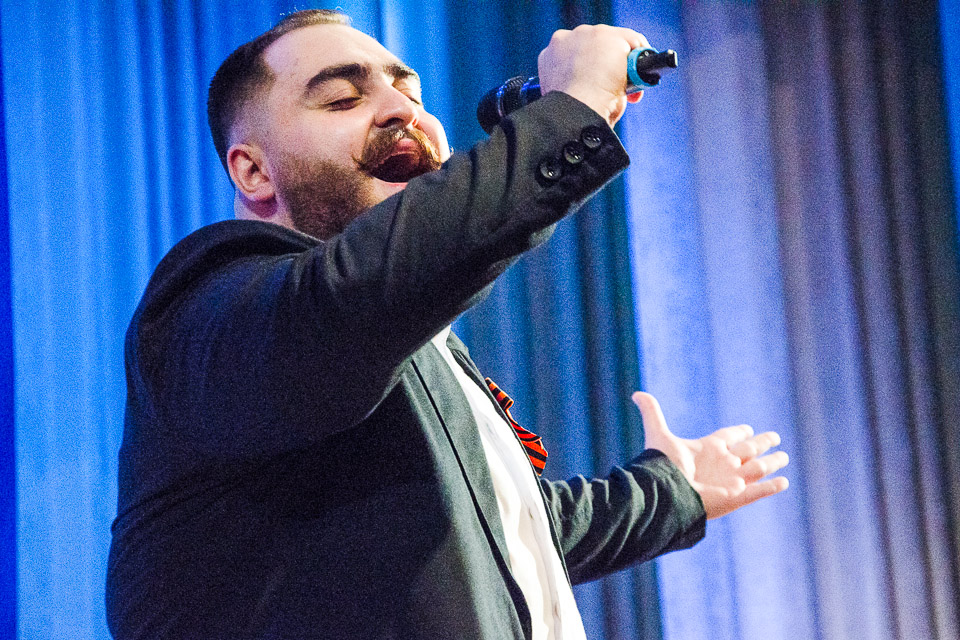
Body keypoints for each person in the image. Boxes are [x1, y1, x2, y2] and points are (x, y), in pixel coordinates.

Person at [106, 9, 789, 640]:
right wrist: (572, 110)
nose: (402, 111)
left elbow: (506, 527)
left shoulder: (415, 349)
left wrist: (672, 490)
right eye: (343, 99)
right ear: (253, 170)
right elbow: (353, 296)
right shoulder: (210, 304)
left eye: (411, 93)